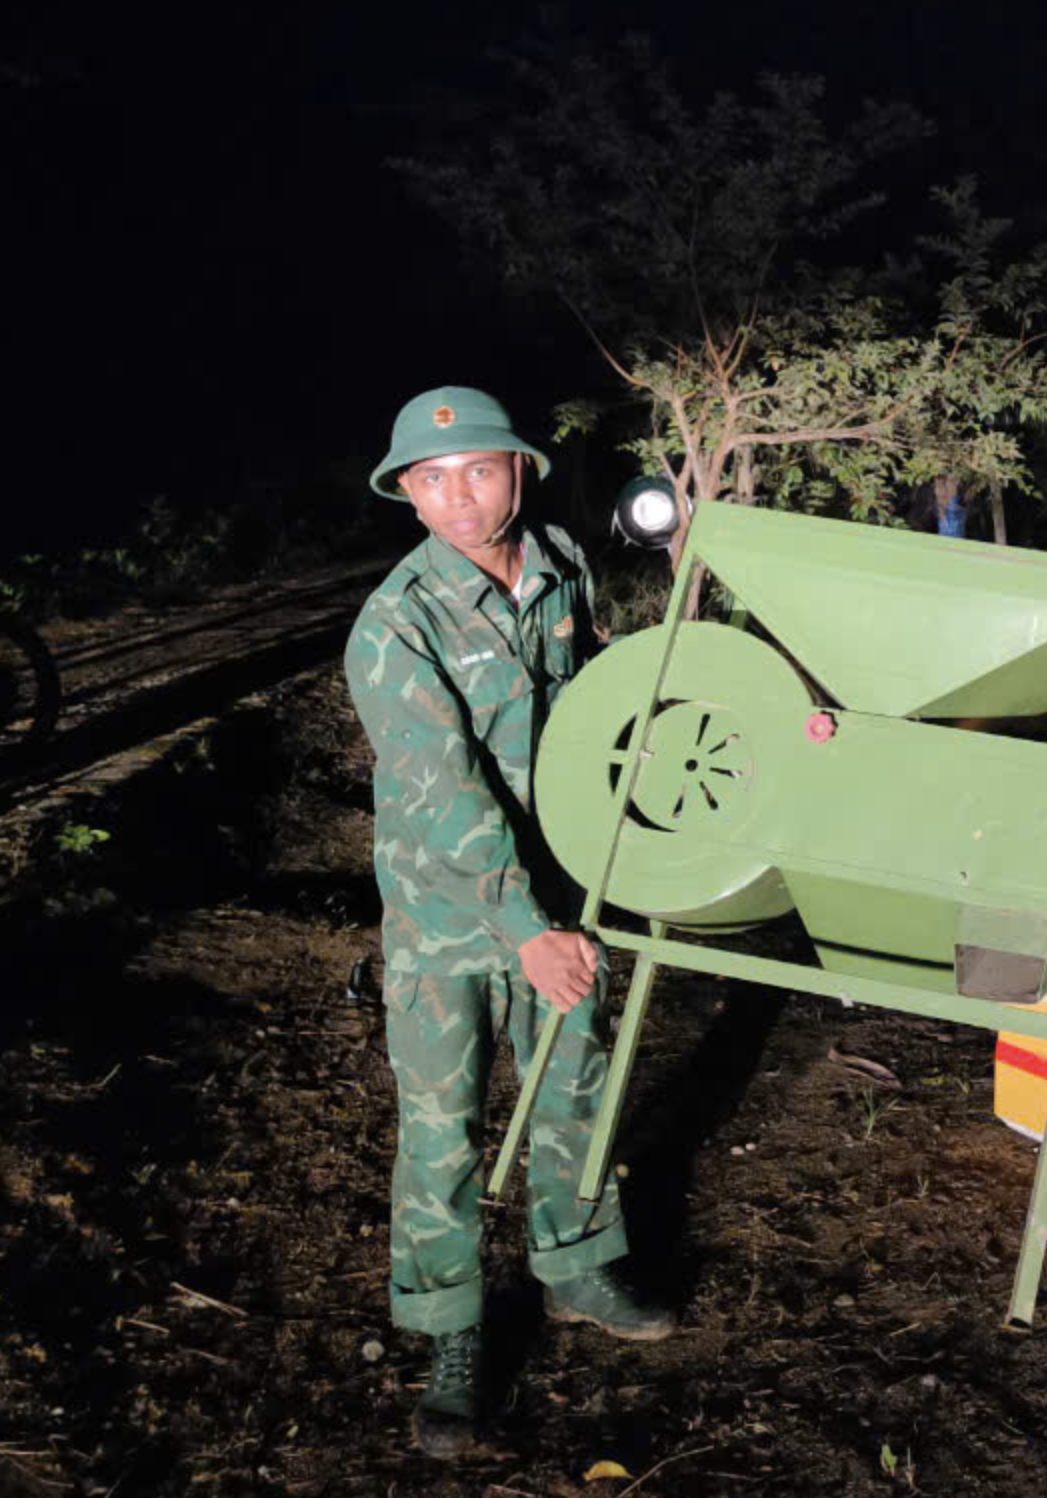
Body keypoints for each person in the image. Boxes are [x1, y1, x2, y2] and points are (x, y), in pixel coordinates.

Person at [344, 387, 673, 1459]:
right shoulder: (395, 624)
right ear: (405, 495)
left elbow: (605, 701)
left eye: (477, 470)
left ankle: (576, 1263)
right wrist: (524, 924)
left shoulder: (559, 569)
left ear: (519, 472)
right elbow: (443, 792)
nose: (457, 497)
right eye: (430, 480)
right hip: (451, 911)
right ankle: (448, 1330)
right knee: (442, 1128)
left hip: (564, 891)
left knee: (572, 1078)